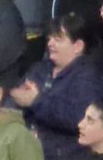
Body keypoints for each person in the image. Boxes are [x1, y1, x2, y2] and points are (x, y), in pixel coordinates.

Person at [10, 13, 100, 160]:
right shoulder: (40, 69)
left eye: (57, 39)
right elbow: (15, 98)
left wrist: (36, 101)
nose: (50, 43)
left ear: (77, 46)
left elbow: (78, 117)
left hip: (64, 153)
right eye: (50, 38)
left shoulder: (88, 77)